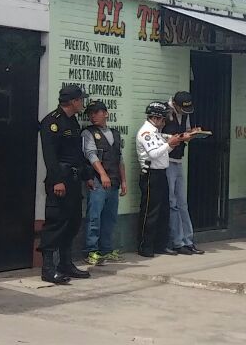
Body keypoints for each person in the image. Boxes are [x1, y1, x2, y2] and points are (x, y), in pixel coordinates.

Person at [39, 85, 91, 284]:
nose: (82, 103)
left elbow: (77, 153)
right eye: (81, 100)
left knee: (72, 221)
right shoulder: (52, 122)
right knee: (56, 222)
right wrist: (57, 180)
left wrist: (87, 175)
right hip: (59, 180)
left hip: (74, 179)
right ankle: (48, 268)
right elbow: (50, 156)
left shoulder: (73, 121)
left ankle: (65, 264)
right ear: (73, 101)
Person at [136, 102, 188, 257]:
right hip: (151, 175)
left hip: (161, 173)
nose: (164, 122)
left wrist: (174, 143)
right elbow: (153, 153)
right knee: (150, 213)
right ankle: (145, 246)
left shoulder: (156, 132)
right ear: (155, 117)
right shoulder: (146, 132)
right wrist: (169, 144)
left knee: (163, 211)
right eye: (163, 119)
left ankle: (160, 244)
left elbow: (164, 151)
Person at [81, 100, 127, 266]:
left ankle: (106, 250)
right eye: (90, 113)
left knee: (110, 218)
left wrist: (123, 181)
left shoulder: (115, 134)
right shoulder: (88, 133)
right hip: (98, 182)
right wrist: (102, 174)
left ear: (105, 113)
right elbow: (91, 155)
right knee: (94, 217)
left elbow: (119, 159)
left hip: (114, 182)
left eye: (96, 112)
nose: (93, 116)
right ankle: (91, 251)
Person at [163, 91, 204, 254]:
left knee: (182, 203)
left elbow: (186, 131)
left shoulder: (186, 114)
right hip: (166, 160)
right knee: (172, 203)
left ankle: (188, 239)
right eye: (182, 109)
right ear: (175, 104)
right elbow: (158, 136)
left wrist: (193, 133)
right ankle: (177, 241)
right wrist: (180, 137)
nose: (184, 113)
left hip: (179, 160)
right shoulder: (165, 112)